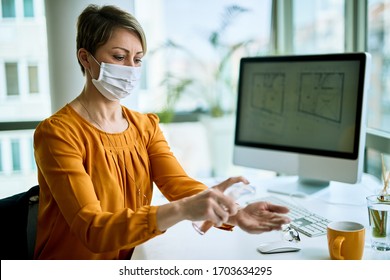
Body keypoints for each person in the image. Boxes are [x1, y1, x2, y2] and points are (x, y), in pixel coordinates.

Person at [33, 4, 290, 260]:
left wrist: (235, 212)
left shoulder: (145, 126)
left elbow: (179, 185)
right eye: (119, 57)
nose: (130, 69)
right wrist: (181, 210)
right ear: (85, 58)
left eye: (137, 59)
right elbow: (93, 230)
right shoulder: (58, 134)